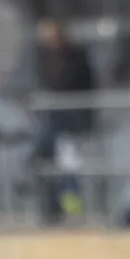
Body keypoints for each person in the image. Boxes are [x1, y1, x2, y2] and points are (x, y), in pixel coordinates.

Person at [34, 18, 94, 219]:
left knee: (68, 162)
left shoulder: (74, 56)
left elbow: (68, 82)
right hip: (54, 116)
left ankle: (71, 207)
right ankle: (51, 207)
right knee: (43, 158)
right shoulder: (43, 57)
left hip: (71, 116)